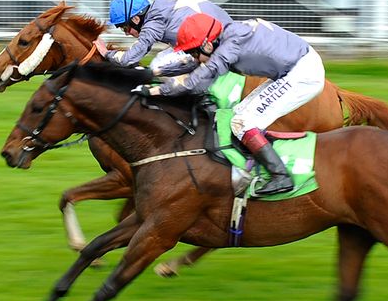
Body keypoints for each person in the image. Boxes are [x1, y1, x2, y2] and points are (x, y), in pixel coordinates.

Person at [131, 13, 326, 196]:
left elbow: (194, 80)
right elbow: (195, 64)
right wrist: (150, 73)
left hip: (303, 73)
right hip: (294, 67)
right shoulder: (223, 38)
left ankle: (281, 177)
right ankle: (259, 161)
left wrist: (156, 91)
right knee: (239, 114)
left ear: (207, 44)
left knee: (243, 122)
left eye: (194, 51)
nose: (193, 56)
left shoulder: (229, 47)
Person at [96, 0, 233, 76]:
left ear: (136, 19)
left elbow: (128, 58)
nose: (127, 34)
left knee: (157, 66)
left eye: (125, 28)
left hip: (216, 47)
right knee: (162, 57)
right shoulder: (163, 1)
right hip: (225, 31)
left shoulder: (153, 22)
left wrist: (106, 53)